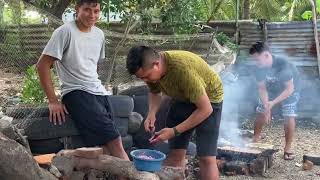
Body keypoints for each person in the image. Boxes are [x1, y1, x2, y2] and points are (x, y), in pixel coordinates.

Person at [36, 0, 129, 178]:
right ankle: (132, 175)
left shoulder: (99, 34)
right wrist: (53, 101)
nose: (92, 15)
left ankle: (77, 163)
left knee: (104, 146)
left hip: (98, 92)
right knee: (116, 140)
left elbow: (91, 65)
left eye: (96, 10)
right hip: (76, 92)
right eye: (87, 10)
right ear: (77, 10)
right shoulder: (65, 32)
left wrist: (100, 88)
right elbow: (42, 65)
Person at [126, 46, 224, 180]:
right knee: (176, 154)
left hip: (209, 101)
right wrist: (152, 113)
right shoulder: (153, 71)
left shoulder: (182, 70)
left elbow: (205, 109)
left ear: (156, 64)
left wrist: (174, 131)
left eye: (147, 76)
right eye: (142, 78)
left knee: (206, 158)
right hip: (181, 98)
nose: (146, 81)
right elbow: (155, 92)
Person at [249, 42, 300, 160]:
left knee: (289, 115)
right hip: (271, 89)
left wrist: (272, 103)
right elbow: (262, 88)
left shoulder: (282, 64)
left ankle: (287, 148)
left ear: (266, 55)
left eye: (258, 60)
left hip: (290, 89)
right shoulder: (259, 68)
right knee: (261, 110)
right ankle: (255, 139)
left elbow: (289, 89)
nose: (256, 63)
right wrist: (267, 107)